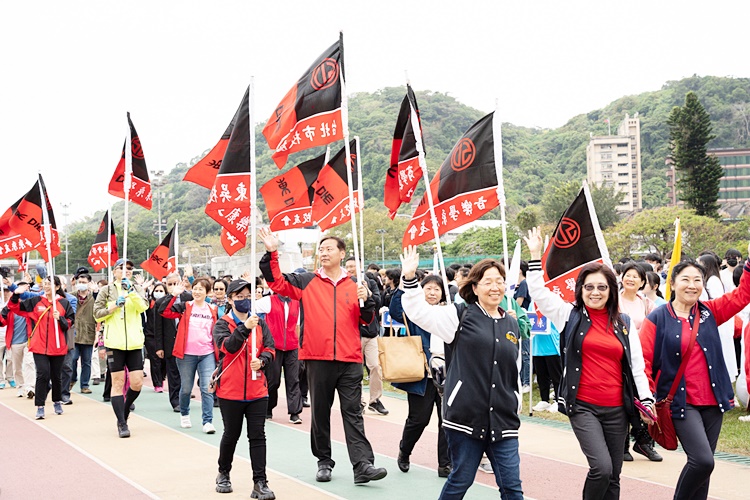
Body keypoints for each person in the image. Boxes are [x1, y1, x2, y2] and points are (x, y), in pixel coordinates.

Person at [524, 227, 654, 500]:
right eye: (589, 287)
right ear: (580, 289)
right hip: (583, 407)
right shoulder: (568, 316)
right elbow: (539, 293)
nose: (595, 292)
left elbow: (636, 366)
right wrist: (535, 257)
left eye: (602, 287)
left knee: (614, 475)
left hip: (617, 409)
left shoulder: (623, 323)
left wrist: (646, 399)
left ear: (611, 291)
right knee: (601, 468)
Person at [259, 227, 386, 485]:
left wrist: (368, 300)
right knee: (320, 413)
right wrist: (272, 252)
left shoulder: (355, 285)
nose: (324, 253)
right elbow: (277, 282)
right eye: (321, 249)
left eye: (329, 249)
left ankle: (362, 464)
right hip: (318, 358)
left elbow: (367, 321)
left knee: (353, 412)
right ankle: (324, 461)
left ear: (342, 254)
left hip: (350, 359)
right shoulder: (307, 281)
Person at [399, 248, 523, 499]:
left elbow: (514, 369)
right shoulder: (460, 315)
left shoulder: (511, 323)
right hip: (465, 418)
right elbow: (420, 313)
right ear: (475, 287)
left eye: (499, 281)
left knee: (512, 487)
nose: (495, 287)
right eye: (488, 282)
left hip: (503, 420)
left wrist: (516, 401)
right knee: (461, 480)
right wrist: (410, 279)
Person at [640, 255, 750, 500]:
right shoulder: (657, 318)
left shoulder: (710, 311)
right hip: (681, 403)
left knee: (704, 469)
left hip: (713, 400)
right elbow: (643, 361)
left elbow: (743, 295)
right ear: (672, 283)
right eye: (685, 280)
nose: (692, 285)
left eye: (697, 280)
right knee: (702, 461)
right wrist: (647, 398)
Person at [213, 279, 276, 499]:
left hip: (257, 390)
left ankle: (260, 482)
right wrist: (244, 328)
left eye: (248, 296)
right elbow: (228, 347)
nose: (244, 300)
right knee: (231, 434)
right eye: (239, 297)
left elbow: (270, 347)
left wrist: (263, 360)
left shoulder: (260, 323)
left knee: (257, 435)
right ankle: (223, 472)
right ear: (230, 299)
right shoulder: (222, 324)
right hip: (230, 391)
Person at [389, 274, 451, 478]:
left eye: (437, 289)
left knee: (447, 421)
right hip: (421, 375)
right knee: (419, 420)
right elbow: (396, 311)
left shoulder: (449, 313)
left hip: (447, 375)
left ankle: (445, 464)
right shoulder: (415, 313)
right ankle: (405, 451)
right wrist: (403, 284)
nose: (432, 293)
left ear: (443, 293)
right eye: (428, 288)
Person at [94, 258, 149, 438]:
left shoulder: (137, 288)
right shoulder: (106, 290)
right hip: (114, 344)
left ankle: (124, 412)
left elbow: (143, 307)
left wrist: (131, 291)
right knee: (117, 383)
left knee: (137, 383)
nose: (126, 270)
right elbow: (97, 315)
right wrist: (113, 306)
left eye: (130, 268)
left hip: (134, 343)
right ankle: (122, 423)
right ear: (114, 271)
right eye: (122, 268)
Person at [9, 276, 75, 419]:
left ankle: (57, 401)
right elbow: (15, 308)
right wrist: (15, 295)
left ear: (57, 287)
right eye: (44, 283)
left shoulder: (64, 303)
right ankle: (40, 406)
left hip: (57, 346)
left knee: (56, 376)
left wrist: (60, 319)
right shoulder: (35, 301)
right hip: (39, 346)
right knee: (42, 374)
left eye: (49, 284)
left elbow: (70, 322)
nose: (46, 286)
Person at [161, 277, 218, 433]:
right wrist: (173, 295)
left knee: (207, 388)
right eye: (195, 288)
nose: (197, 292)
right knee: (186, 388)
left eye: (201, 289)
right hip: (186, 354)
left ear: (207, 292)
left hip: (207, 354)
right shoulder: (185, 307)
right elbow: (164, 311)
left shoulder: (212, 309)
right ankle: (185, 414)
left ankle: (207, 421)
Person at [618, 262, 662, 463]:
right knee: (622, 399)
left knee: (643, 396)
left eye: (636, 276)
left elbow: (655, 326)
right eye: (628, 275)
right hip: (618, 357)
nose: (631, 279)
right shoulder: (613, 300)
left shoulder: (646, 303)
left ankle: (644, 442)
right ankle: (623, 444)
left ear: (643, 282)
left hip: (641, 357)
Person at [344, 257, 388, 416]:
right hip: (354, 333)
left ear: (360, 266)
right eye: (348, 266)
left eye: (353, 266)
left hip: (371, 332)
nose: (350, 269)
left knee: (375, 366)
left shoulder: (370, 282)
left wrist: (367, 293)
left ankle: (375, 400)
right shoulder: (345, 283)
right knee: (356, 370)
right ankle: (359, 401)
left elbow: (378, 301)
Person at [253, 289, 303, 423]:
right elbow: (252, 307)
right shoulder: (269, 301)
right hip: (274, 347)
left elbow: (298, 326)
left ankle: (295, 412)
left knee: (293, 380)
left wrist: (298, 345)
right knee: (273, 380)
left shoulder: (297, 303)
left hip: (292, 347)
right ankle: (268, 408)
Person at [155, 273, 186, 412]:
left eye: (175, 283)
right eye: (170, 284)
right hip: (170, 343)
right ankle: (175, 401)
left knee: (185, 373)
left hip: (187, 343)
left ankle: (184, 395)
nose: (173, 286)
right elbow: (158, 327)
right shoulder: (161, 303)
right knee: (173, 373)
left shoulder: (188, 299)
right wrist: (159, 347)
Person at [67, 273, 97, 395]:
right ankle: (72, 379)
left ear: (89, 283)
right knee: (72, 359)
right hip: (74, 333)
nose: (81, 284)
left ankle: (84, 385)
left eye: (84, 282)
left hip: (88, 333)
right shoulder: (71, 296)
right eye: (80, 282)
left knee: (86, 361)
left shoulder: (94, 297)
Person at [144, 282, 167, 393]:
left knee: (165, 361)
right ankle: (157, 383)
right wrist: (143, 289)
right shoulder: (149, 303)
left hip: (164, 336)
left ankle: (162, 377)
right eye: (156, 291)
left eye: (161, 291)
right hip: (150, 336)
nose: (158, 293)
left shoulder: (168, 304)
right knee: (155, 360)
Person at [514, 261, 532, 394]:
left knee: (525, 353)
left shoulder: (524, 283)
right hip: (516, 319)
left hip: (522, 319)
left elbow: (518, 303)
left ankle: (526, 382)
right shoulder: (518, 285)